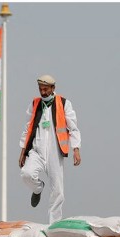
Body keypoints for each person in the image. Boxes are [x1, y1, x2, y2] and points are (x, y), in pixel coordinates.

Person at [19, 75, 81, 224]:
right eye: (41, 89)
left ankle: (54, 224)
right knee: (26, 174)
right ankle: (38, 189)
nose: (43, 92)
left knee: (57, 190)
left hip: (55, 151)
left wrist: (76, 149)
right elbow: (27, 128)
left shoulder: (64, 103)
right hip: (37, 150)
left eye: (46, 89)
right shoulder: (34, 104)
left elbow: (73, 127)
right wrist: (22, 151)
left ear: (53, 88)